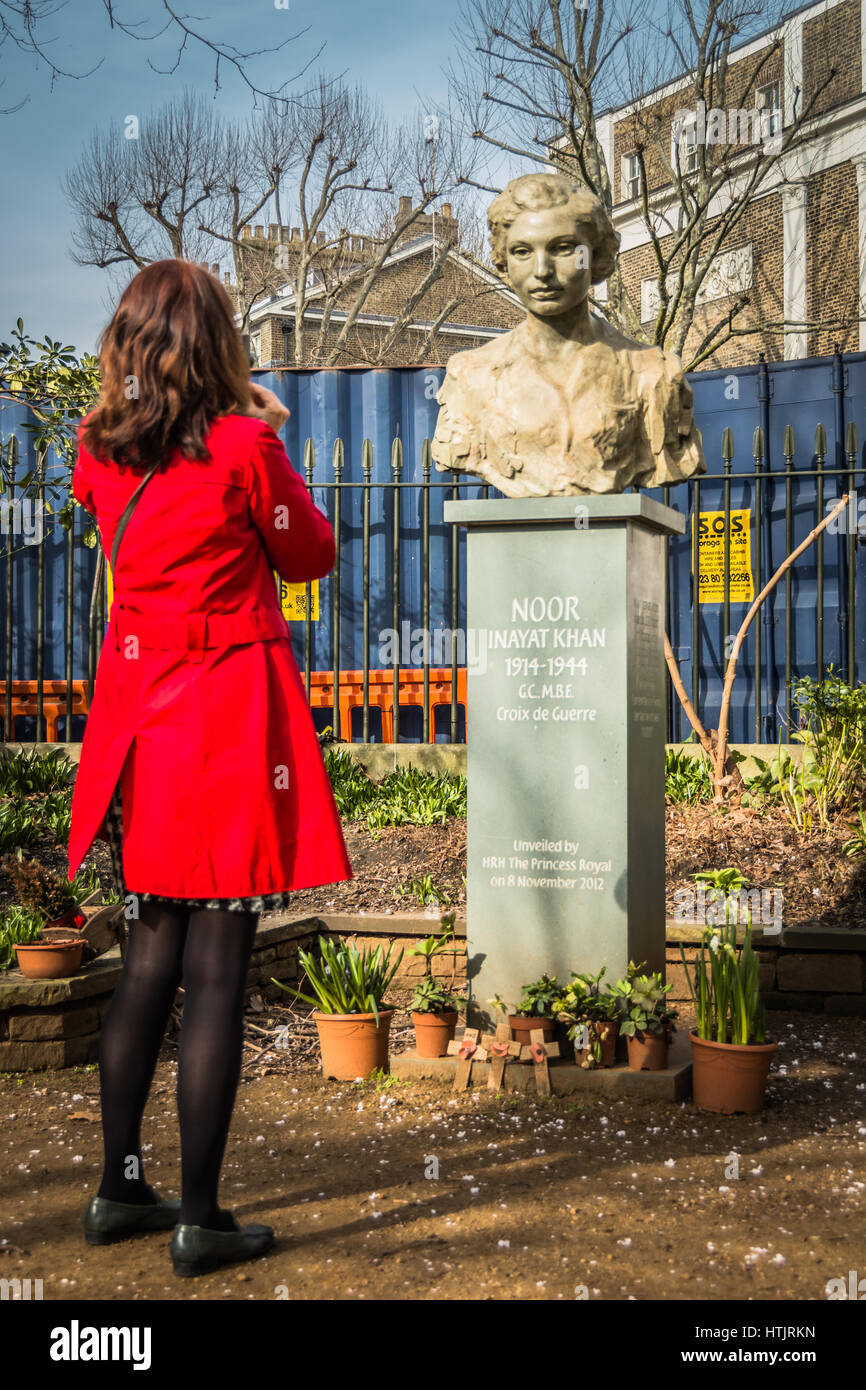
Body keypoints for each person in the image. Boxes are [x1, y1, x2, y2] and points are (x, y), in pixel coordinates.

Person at [68, 258, 352, 1278]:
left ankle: (117, 1186)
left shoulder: (99, 455)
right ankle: (199, 1212)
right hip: (226, 728)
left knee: (149, 958)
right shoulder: (244, 448)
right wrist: (264, 427)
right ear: (219, 345)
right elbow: (310, 553)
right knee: (217, 969)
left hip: (141, 722)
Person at [431, 172, 705, 495]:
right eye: (522, 252)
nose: (542, 271)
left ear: (597, 256)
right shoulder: (469, 378)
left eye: (562, 248)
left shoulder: (654, 376)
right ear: (503, 263)